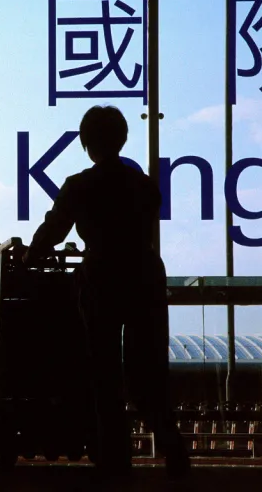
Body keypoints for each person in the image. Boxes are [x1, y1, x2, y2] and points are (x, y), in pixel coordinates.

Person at [22, 105, 191, 480]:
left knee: (104, 371)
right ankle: (171, 446)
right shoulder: (145, 186)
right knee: (147, 368)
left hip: (102, 279)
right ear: (122, 139)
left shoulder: (80, 186)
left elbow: (53, 231)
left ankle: (115, 456)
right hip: (145, 277)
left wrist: (30, 256)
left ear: (86, 144)